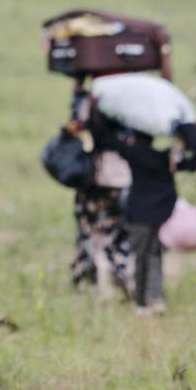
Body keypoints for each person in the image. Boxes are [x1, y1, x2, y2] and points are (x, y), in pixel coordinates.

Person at [91, 110, 196, 315]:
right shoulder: (167, 157)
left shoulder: (136, 153)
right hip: (163, 212)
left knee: (141, 256)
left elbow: (106, 139)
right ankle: (155, 298)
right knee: (155, 254)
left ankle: (142, 302)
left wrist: (99, 115)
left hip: (140, 213)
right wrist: (192, 134)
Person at [67, 77, 133, 298]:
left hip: (93, 178)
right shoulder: (130, 104)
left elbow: (76, 127)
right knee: (115, 232)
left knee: (90, 230)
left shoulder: (87, 103)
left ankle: (91, 276)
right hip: (120, 177)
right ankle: (116, 273)